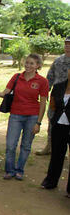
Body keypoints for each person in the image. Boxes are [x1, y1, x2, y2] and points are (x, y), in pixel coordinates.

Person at [0, 54, 48, 180]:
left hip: (32, 117)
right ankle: (9, 170)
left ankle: (20, 170)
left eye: (32, 63)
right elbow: (4, 93)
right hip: (15, 115)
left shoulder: (42, 81)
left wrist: (38, 122)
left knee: (26, 145)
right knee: (10, 145)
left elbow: (43, 103)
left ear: (38, 66)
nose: (28, 65)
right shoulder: (16, 77)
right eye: (27, 62)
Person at [36, 36, 70, 156]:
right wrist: (44, 93)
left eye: (69, 44)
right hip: (57, 96)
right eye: (66, 44)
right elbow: (49, 78)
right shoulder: (58, 60)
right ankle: (49, 146)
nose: (67, 46)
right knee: (53, 120)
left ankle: (64, 149)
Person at [41, 67, 70, 197]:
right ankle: (50, 181)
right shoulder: (58, 87)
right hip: (58, 125)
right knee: (56, 155)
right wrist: (52, 120)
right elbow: (52, 105)